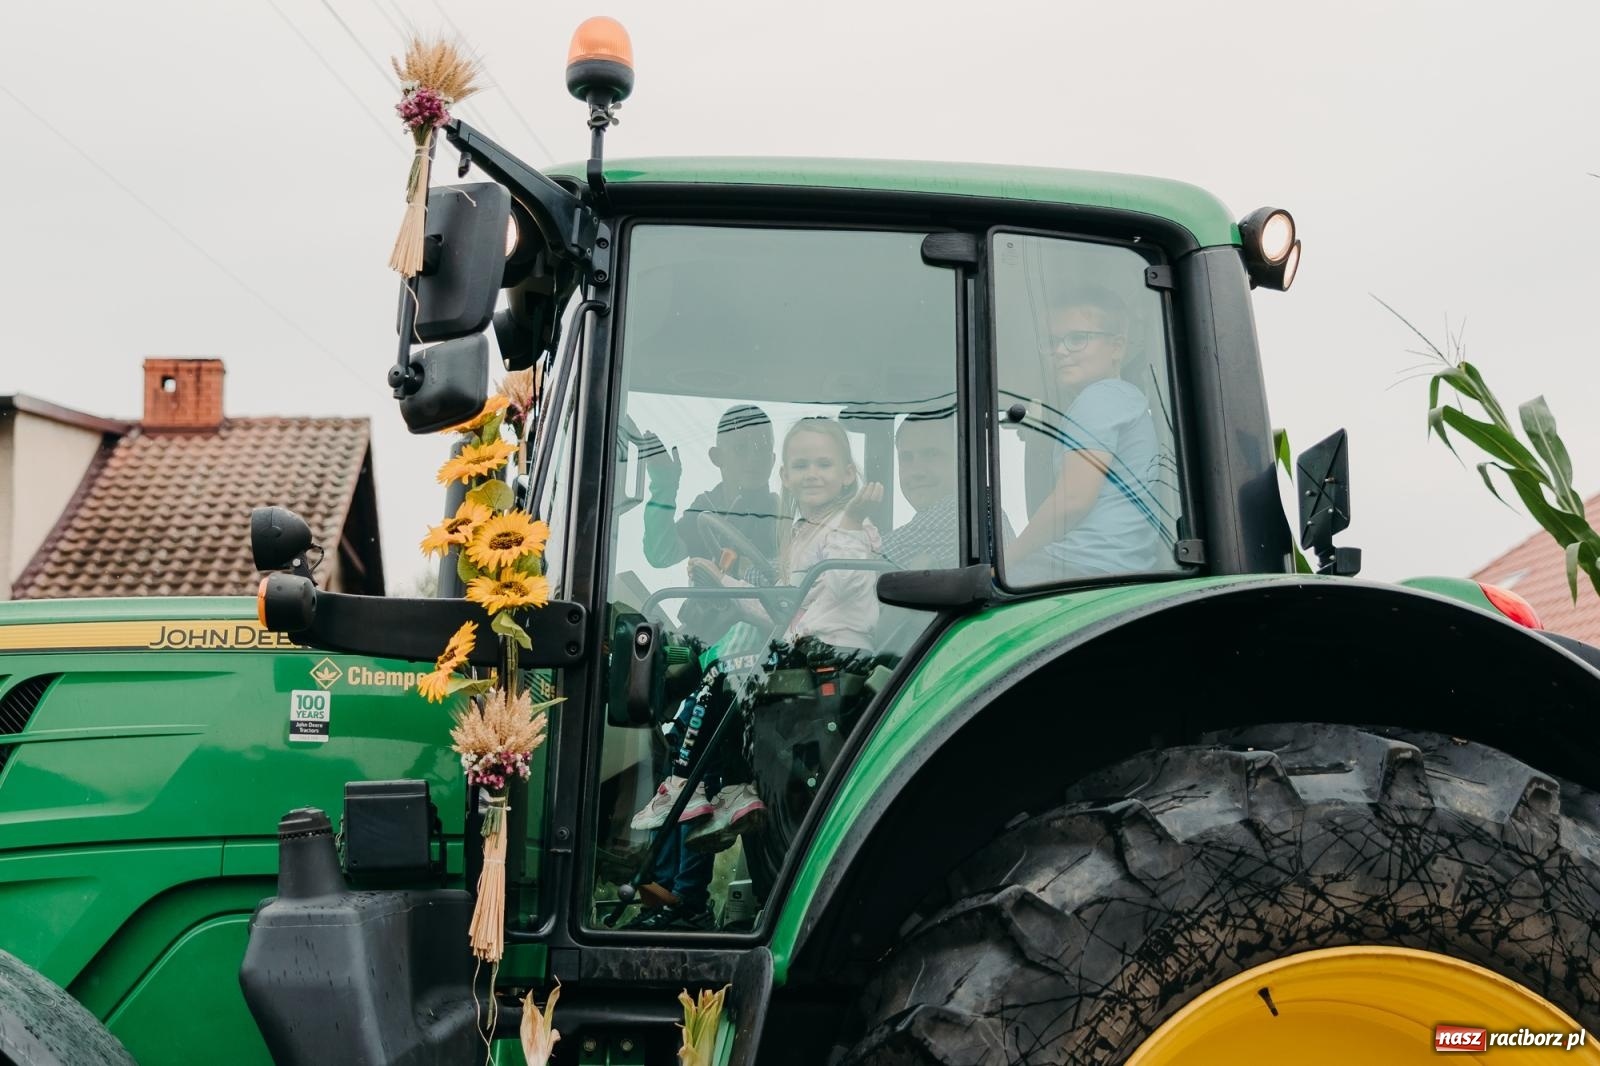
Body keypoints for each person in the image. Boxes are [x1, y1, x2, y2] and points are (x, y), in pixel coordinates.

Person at [628, 417, 884, 928]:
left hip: (834, 657)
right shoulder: (796, 529)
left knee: (724, 678)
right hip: (799, 647)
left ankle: (702, 802)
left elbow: (843, 591)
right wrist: (724, 582)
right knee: (703, 698)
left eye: (824, 464)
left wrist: (853, 521)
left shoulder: (850, 528)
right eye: (803, 465)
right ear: (787, 473)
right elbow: (783, 611)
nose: (812, 473)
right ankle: (699, 809)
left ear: (848, 473)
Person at [1007, 285, 1162, 583]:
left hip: (1086, 564)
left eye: (1077, 339)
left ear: (1116, 347)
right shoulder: (1126, 400)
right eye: (1052, 343)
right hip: (1120, 563)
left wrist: (1006, 558)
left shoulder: (1098, 398)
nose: (1061, 351)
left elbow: (1073, 499)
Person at [641, 404, 778, 573]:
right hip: (705, 600)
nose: (753, 458)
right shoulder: (706, 509)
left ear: (772, 459)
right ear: (717, 457)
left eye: (762, 449)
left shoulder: (780, 512)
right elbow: (661, 555)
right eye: (740, 448)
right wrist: (664, 485)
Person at [879, 413, 959, 570]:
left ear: (962, 458)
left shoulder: (957, 512)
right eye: (907, 458)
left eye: (932, 454)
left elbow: (862, 560)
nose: (916, 472)